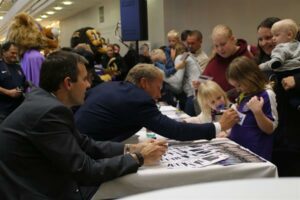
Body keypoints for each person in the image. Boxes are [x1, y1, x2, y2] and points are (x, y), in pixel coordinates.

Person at [0, 51, 167, 200]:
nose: (88, 85)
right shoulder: (49, 112)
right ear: (68, 83)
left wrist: (131, 148)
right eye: (85, 79)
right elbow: (85, 171)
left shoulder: (45, 102)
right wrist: (138, 158)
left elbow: (85, 144)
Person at [74, 63, 239, 142]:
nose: (159, 94)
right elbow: (176, 132)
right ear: (144, 83)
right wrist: (218, 126)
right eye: (158, 87)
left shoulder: (110, 86)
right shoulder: (138, 99)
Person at [226, 56, 278, 161]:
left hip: (256, 155)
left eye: (239, 85)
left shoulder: (267, 94)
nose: (237, 89)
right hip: (238, 151)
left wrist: (258, 112)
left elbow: (270, 129)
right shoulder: (244, 94)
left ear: (250, 77)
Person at [202, 24, 256, 100]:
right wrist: (198, 85)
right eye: (216, 46)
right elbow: (202, 82)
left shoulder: (251, 51)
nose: (220, 49)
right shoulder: (213, 62)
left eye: (223, 44)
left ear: (233, 39)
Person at [0, 41, 27, 124]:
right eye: (12, 53)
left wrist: (19, 90)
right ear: (4, 52)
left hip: (18, 109)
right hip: (3, 111)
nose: (15, 55)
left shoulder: (18, 67)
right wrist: (8, 92)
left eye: (16, 53)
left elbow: (23, 83)